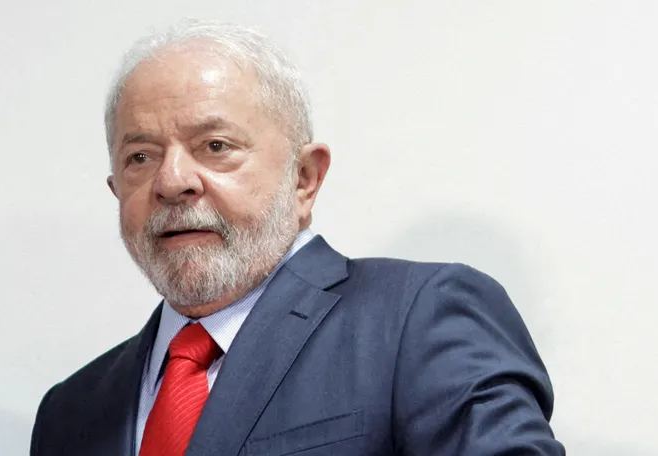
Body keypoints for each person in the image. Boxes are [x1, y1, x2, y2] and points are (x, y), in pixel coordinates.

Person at [31, 19, 565, 456]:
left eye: (215, 146)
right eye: (140, 157)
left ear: (304, 178)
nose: (172, 182)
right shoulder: (70, 411)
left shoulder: (418, 320)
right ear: (116, 190)